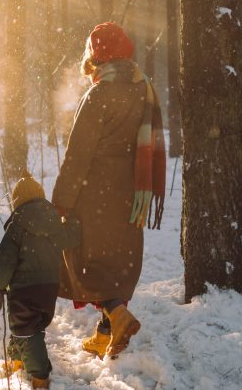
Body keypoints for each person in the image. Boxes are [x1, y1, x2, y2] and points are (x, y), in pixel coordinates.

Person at [52, 22, 166, 359]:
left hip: (94, 191)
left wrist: (60, 202)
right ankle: (107, 334)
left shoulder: (99, 95)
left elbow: (78, 155)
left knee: (83, 260)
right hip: (131, 192)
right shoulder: (142, 88)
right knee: (119, 259)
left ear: (97, 58)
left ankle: (117, 315)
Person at [0, 169, 80, 389]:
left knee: (27, 331)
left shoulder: (17, 226)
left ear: (16, 201)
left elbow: (5, 260)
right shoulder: (54, 223)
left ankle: (40, 376)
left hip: (24, 289)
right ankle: (17, 359)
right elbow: (71, 238)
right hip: (49, 289)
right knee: (25, 326)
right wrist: (75, 222)